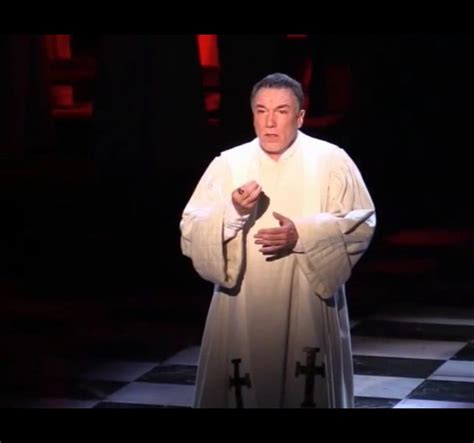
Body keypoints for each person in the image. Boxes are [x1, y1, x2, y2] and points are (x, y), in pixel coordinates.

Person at [180, 72, 376, 408]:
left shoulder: (331, 160)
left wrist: (303, 234)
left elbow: (360, 222)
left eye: (281, 111)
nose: (269, 122)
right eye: (261, 111)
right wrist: (232, 212)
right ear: (252, 115)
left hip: (306, 298)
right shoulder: (228, 164)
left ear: (300, 116)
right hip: (242, 298)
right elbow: (191, 228)